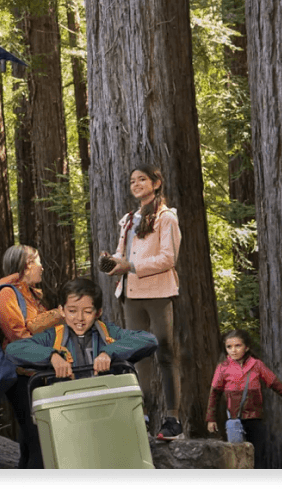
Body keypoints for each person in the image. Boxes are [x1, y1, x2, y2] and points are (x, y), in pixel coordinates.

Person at [102, 164, 184, 439]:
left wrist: (130, 265)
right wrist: (113, 262)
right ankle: (143, 416)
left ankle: (172, 419)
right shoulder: (129, 218)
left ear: (156, 183)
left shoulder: (166, 217)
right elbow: (121, 253)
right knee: (138, 356)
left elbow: (168, 258)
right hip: (131, 295)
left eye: (142, 179)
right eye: (132, 180)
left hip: (159, 293)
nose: (136, 184)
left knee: (165, 353)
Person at [0, 244, 64, 469]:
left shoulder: (31, 295)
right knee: (41, 447)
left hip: (36, 375)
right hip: (22, 378)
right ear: (27, 265)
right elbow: (19, 337)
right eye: (38, 261)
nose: (42, 267)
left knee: (29, 447)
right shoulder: (5, 294)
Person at [5, 277, 158, 380]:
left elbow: (149, 340)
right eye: (72, 311)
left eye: (87, 311)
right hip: (69, 408)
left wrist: (109, 352)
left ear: (98, 312)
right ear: (62, 311)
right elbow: (13, 350)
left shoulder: (108, 333)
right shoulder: (53, 337)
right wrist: (52, 356)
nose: (79, 318)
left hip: (107, 401)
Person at [205, 329, 282, 468]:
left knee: (258, 455)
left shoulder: (256, 365)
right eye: (229, 347)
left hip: (255, 418)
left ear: (246, 347)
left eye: (238, 346)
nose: (233, 350)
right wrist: (211, 419)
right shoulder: (223, 368)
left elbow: (275, 385)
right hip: (234, 419)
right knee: (236, 456)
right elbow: (214, 394)